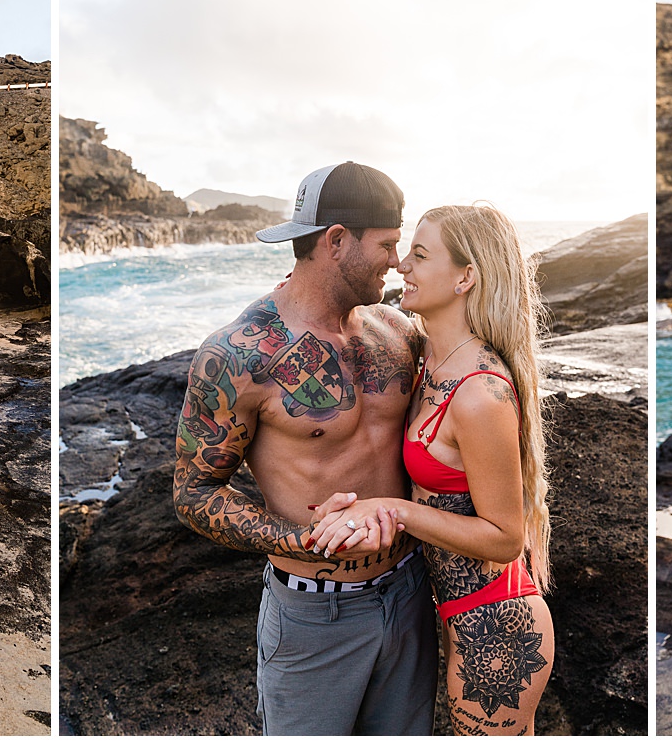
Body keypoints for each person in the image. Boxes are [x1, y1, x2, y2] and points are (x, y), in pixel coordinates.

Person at [172, 162, 432, 735]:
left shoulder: (399, 332)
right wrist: (304, 542)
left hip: (411, 590)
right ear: (336, 241)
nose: (398, 260)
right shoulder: (239, 356)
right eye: (388, 244)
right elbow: (193, 494)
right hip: (316, 612)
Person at [307, 204, 556, 735]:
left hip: (497, 623)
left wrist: (392, 510)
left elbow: (505, 537)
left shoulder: (479, 395)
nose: (402, 267)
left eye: (419, 256)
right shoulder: (428, 361)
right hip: (453, 615)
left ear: (465, 276)